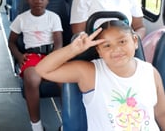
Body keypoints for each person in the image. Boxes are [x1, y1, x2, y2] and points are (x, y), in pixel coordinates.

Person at [36, 20, 165, 130]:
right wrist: (73, 50)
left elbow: (161, 114)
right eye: (107, 45)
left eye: (122, 42)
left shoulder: (150, 72)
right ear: (99, 51)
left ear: (135, 41)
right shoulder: (90, 73)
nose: (116, 49)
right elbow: (43, 70)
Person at [8, 0, 63, 131]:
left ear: (48, 0)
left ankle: (67, 121)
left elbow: (58, 42)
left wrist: (54, 58)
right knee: (32, 80)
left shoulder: (53, 18)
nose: (38, 1)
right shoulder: (21, 19)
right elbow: (11, 42)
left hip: (51, 54)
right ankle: (36, 125)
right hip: (31, 55)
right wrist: (19, 56)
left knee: (65, 82)